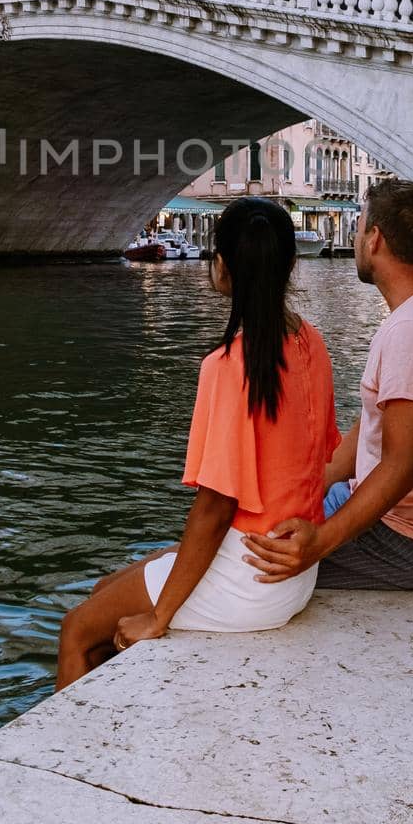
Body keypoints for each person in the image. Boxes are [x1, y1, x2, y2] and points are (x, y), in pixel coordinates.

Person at [56, 197, 339, 689]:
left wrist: (159, 618)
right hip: (291, 574)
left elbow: (215, 506)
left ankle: (61, 758)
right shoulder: (311, 342)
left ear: (222, 266)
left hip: (247, 579)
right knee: (105, 591)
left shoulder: (229, 365)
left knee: (77, 629)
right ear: (291, 265)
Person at [242, 180, 413, 592]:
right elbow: (370, 429)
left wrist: (318, 543)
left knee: (243, 568)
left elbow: (399, 467)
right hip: (399, 526)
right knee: (243, 531)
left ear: (374, 239)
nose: (356, 238)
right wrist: (309, 488)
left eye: (359, 227)